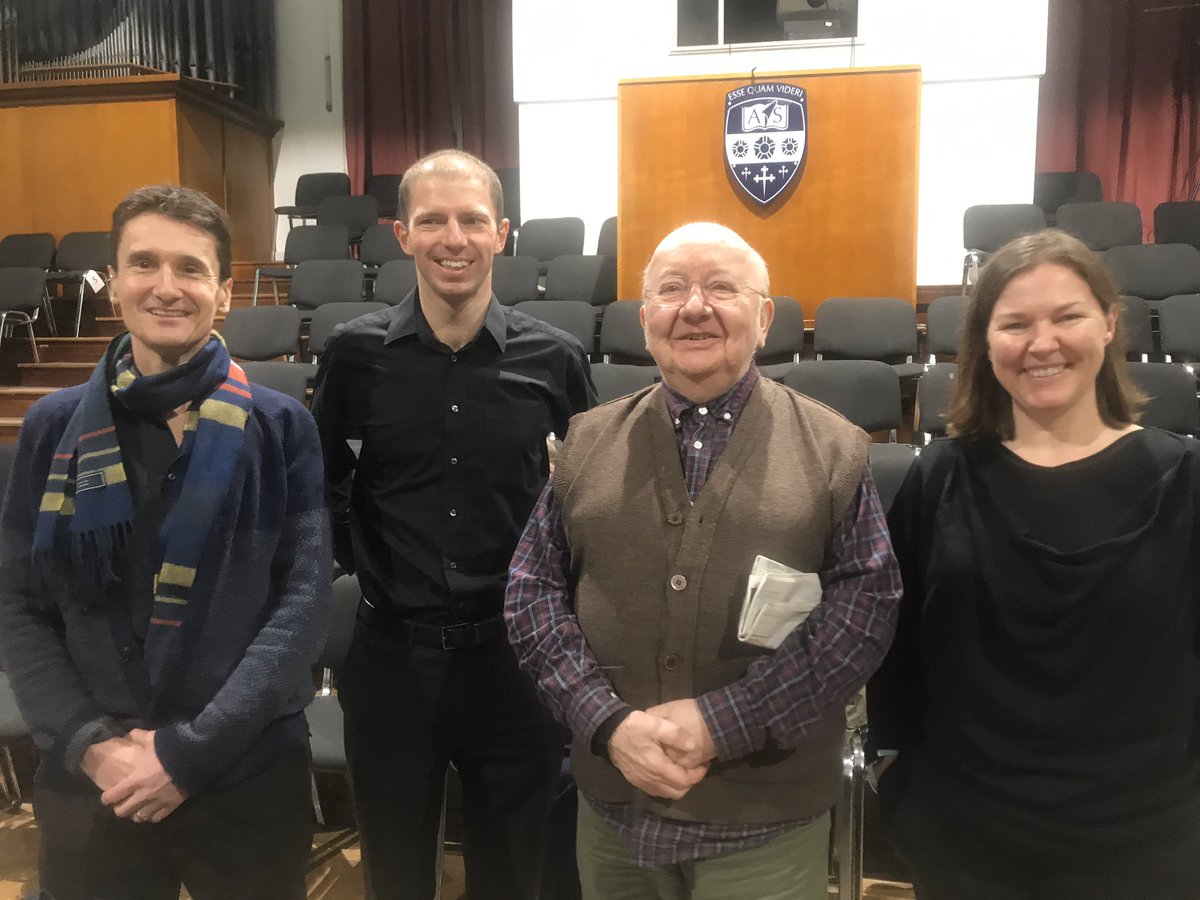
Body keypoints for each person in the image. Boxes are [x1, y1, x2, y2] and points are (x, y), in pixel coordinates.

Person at [505, 222, 902, 900]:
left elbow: (864, 613)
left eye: (722, 287)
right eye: (671, 289)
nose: (695, 307)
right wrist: (605, 721)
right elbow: (530, 592)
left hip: (764, 818)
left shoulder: (833, 449)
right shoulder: (586, 441)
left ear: (765, 315)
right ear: (645, 315)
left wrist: (727, 723)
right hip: (614, 809)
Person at [0, 184, 330, 900]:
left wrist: (190, 751)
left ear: (224, 289)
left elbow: (300, 607)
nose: (165, 287)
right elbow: (19, 605)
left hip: (243, 768)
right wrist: (92, 746)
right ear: (114, 279)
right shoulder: (52, 429)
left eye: (191, 268)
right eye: (143, 263)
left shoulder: (281, 427)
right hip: (96, 775)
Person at [867, 228, 1200, 898]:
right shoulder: (940, 475)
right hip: (963, 834)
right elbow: (896, 647)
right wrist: (894, 772)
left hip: (1147, 839)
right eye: (1014, 323)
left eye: (1067, 316)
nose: (1042, 343)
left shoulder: (1185, 478)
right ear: (985, 342)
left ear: (1107, 325)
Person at [312, 149, 596, 899]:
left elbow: (590, 493)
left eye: (472, 220)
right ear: (401, 234)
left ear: (501, 233)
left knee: (514, 873)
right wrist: (365, 558)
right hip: (391, 659)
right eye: (432, 220)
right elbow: (324, 476)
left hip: (515, 661)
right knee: (396, 873)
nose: (453, 238)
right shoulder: (356, 353)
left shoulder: (556, 359)